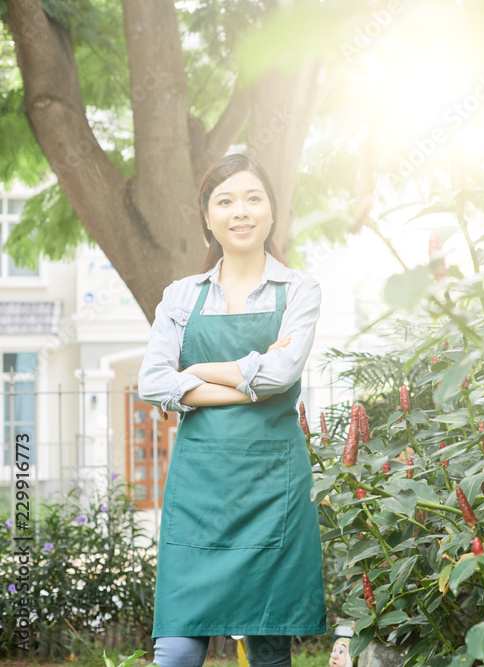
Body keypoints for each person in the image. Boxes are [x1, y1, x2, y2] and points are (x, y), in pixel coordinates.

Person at [138, 153, 327, 667]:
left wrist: (197, 372)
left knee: (269, 649)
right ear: (207, 216)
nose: (239, 211)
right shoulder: (180, 296)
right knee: (176, 649)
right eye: (225, 201)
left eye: (252, 198)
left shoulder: (298, 289)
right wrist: (250, 375)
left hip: (273, 485)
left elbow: (282, 375)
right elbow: (153, 382)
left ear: (271, 211)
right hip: (200, 488)